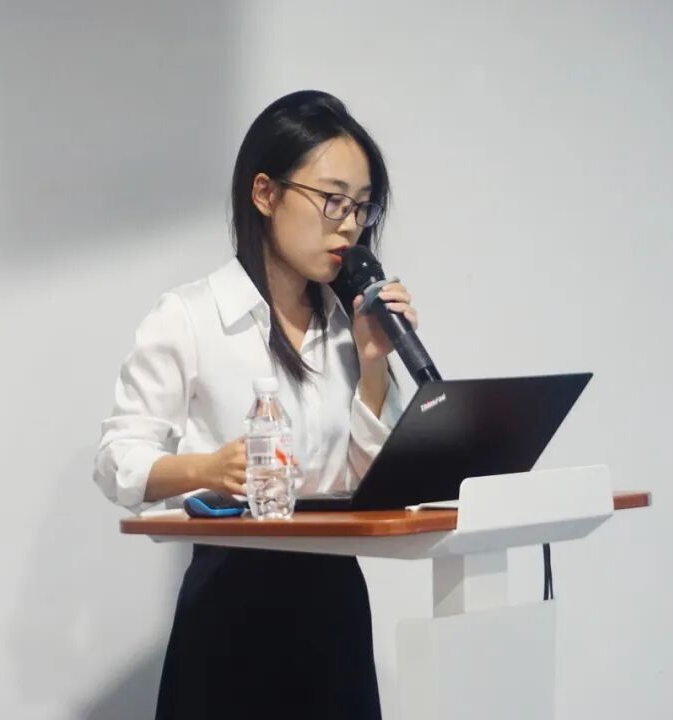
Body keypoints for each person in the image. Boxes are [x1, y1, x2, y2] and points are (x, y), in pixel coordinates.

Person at [93, 89, 420, 720]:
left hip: (334, 605)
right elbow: (117, 460)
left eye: (361, 206)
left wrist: (375, 359)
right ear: (265, 193)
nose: (349, 225)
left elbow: (376, 484)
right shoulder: (190, 317)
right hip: (230, 605)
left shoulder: (351, 327)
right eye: (332, 200)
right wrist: (208, 470)